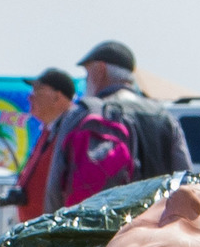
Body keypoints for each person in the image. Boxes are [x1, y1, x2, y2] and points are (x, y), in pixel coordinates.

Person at [73, 40, 191, 179]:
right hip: (160, 199)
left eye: (88, 73)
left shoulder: (91, 113)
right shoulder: (163, 116)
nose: (86, 80)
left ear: (100, 70)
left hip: (112, 200)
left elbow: (59, 182)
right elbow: (184, 175)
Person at [13, 68, 78, 220]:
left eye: (38, 90)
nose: (30, 96)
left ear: (58, 97)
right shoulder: (48, 130)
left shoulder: (71, 130)